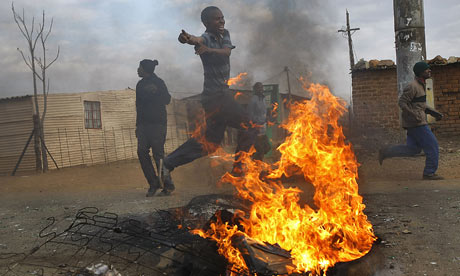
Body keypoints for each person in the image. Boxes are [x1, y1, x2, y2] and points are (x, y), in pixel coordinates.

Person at [161, 6, 254, 193]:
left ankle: (169, 162)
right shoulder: (205, 38)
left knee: (210, 144)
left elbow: (227, 52)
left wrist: (208, 50)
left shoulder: (224, 34)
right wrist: (187, 39)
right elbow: (197, 39)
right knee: (251, 125)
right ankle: (238, 171)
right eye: (216, 19)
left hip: (217, 98)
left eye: (222, 17)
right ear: (206, 23)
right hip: (216, 97)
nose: (221, 21)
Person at [378, 61, 444, 180]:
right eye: (426, 69)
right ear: (420, 72)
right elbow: (402, 102)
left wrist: (435, 113)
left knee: (413, 149)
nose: (429, 71)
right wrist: (414, 115)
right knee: (432, 145)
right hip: (416, 123)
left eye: (429, 69)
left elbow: (420, 105)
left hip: (416, 122)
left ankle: (386, 151)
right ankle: (429, 173)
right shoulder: (412, 86)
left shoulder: (421, 85)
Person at [135, 59, 174, 197]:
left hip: (158, 124)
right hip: (143, 126)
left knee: (158, 155)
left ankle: (168, 185)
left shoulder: (159, 82)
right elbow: (138, 107)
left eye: (139, 67)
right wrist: (137, 126)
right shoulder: (139, 85)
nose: (137, 70)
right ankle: (153, 183)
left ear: (145, 69)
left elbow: (167, 100)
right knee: (141, 152)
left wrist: (157, 91)